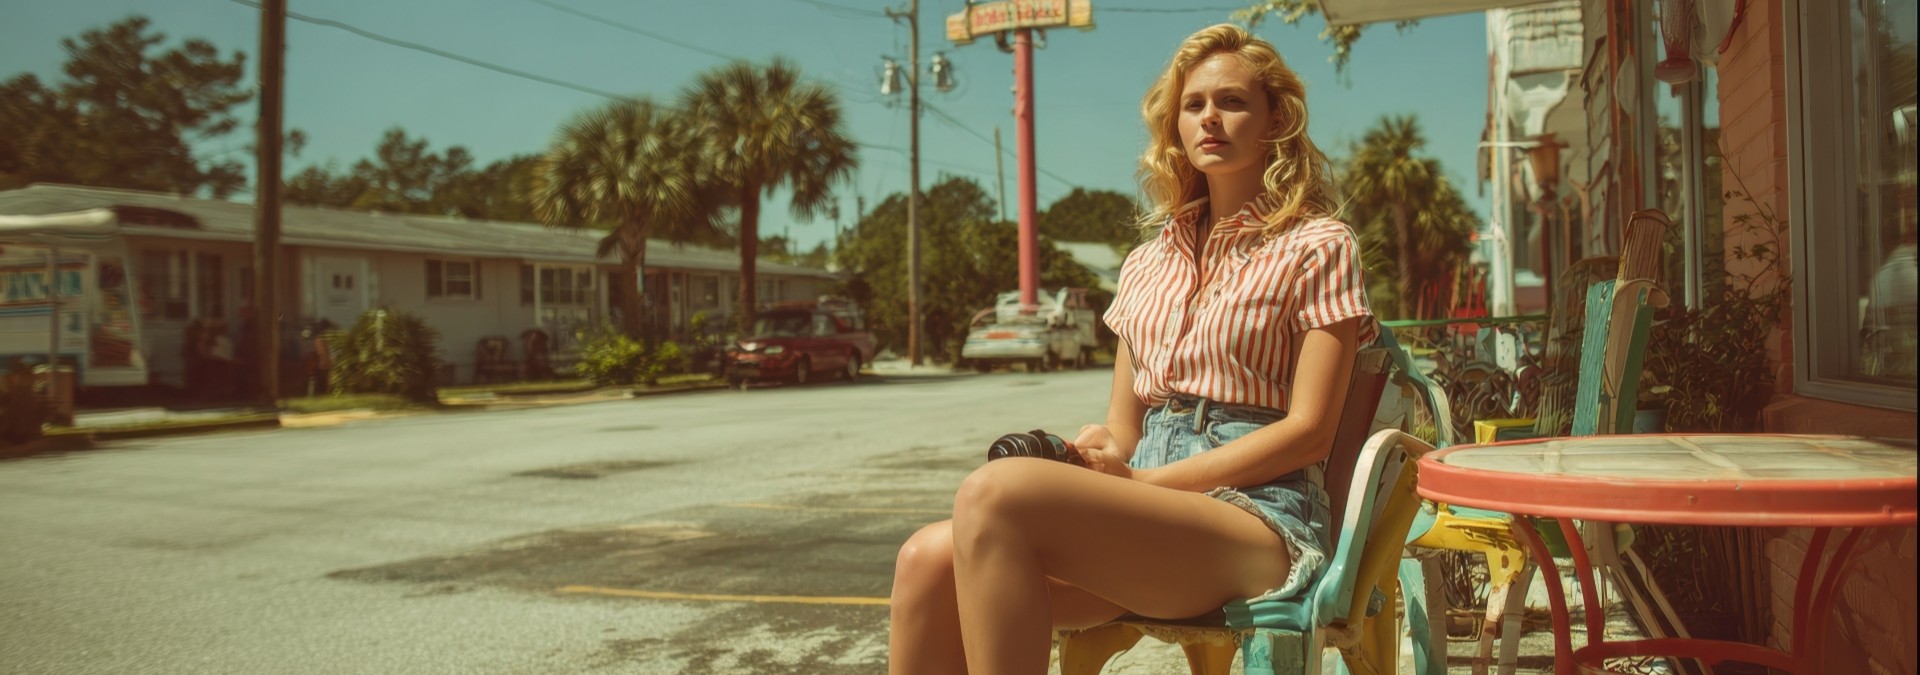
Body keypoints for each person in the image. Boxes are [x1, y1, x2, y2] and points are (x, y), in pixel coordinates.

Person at [887, 24, 1378, 673]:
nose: (1210, 118)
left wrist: (1146, 481)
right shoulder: (1147, 263)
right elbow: (1125, 430)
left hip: (1259, 518)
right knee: (924, 559)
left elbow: (1310, 432)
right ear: (1173, 124)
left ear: (1275, 117)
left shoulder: (1318, 244)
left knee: (994, 493)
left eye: (1232, 101)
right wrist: (1096, 458)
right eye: (1194, 104)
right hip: (1151, 514)